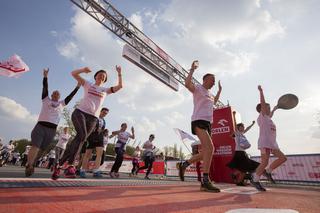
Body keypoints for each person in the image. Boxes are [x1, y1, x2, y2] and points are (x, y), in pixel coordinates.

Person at [52, 66, 123, 180]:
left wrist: (119, 73)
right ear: (95, 76)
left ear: (105, 80)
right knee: (82, 136)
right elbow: (73, 73)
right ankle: (70, 165)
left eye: (104, 76)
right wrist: (83, 70)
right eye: (99, 74)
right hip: (80, 113)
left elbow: (120, 87)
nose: (101, 76)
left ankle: (59, 165)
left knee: (80, 138)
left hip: (93, 118)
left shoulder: (105, 90)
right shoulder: (88, 84)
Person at [25, 68, 80, 177]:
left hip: (51, 130)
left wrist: (77, 87)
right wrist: (45, 76)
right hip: (40, 126)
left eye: (57, 94)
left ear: (59, 96)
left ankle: (33, 162)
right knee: (35, 146)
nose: (55, 94)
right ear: (51, 95)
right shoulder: (46, 99)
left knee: (42, 149)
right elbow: (45, 87)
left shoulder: (62, 103)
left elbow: (71, 96)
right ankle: (29, 165)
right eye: (54, 93)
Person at [177, 60, 222, 192]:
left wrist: (219, 91)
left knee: (206, 153)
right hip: (198, 121)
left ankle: (184, 164)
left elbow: (215, 100)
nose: (214, 82)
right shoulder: (198, 88)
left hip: (208, 124)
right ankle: (205, 181)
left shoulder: (210, 95)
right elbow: (186, 84)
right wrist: (192, 69)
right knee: (210, 148)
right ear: (206, 79)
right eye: (212, 80)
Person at [251, 85, 287, 191]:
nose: (269, 108)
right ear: (262, 109)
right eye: (268, 107)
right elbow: (263, 103)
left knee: (283, 158)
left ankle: (268, 171)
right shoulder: (262, 117)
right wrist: (261, 92)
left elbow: (270, 114)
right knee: (265, 162)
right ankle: (255, 179)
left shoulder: (267, 118)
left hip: (272, 143)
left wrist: (275, 108)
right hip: (265, 142)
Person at [227, 111, 259, 186]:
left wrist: (252, 124)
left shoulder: (242, 133)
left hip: (242, 152)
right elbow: (235, 124)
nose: (243, 128)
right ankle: (237, 178)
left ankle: (237, 179)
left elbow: (247, 128)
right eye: (242, 127)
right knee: (244, 168)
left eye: (243, 127)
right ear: (238, 128)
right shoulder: (237, 133)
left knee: (243, 169)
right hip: (239, 153)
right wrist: (234, 115)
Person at [80, 107, 109, 178]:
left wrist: (101, 132)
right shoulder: (94, 117)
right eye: (103, 112)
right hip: (91, 136)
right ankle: (82, 170)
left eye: (106, 113)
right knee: (88, 154)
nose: (104, 114)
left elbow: (102, 129)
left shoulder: (104, 121)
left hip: (100, 137)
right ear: (100, 111)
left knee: (100, 154)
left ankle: (96, 171)